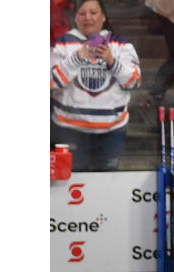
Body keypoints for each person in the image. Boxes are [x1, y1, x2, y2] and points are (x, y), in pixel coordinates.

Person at [51, 1, 142, 171]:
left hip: (112, 132)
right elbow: (51, 82)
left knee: (106, 183)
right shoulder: (62, 44)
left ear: (103, 17)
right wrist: (77, 58)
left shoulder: (120, 45)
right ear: (75, 18)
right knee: (70, 182)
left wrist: (112, 61)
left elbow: (134, 81)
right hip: (69, 130)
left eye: (93, 13)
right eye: (82, 13)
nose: (88, 18)